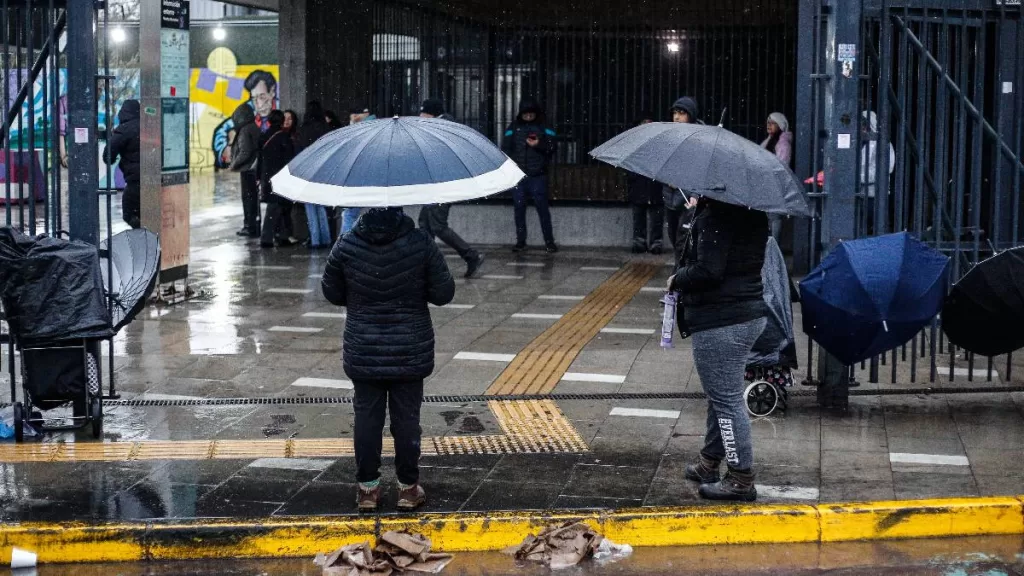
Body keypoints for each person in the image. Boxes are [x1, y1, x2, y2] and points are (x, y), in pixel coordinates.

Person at [321, 206, 455, 512]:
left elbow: (332, 291)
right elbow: (444, 293)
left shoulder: (347, 243)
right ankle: (408, 489)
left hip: (364, 347)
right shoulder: (420, 242)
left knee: (367, 419)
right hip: (409, 347)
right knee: (407, 421)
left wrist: (361, 296)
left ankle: (367, 491)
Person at [668, 196, 769, 502]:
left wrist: (676, 279)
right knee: (721, 393)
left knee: (725, 400)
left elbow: (708, 271)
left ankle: (740, 478)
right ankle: (709, 462)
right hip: (745, 313)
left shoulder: (716, 217)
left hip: (721, 320)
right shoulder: (752, 211)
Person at [417, 98, 485, 278]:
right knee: (425, 224)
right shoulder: (435, 127)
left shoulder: (444, 129)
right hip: (434, 183)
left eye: (423, 113)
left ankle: (472, 256)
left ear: (431, 114)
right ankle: (425, 264)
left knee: (437, 226)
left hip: (444, 185)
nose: (420, 116)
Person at [502, 98, 558, 253]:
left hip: (538, 174)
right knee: (519, 208)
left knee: (542, 208)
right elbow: (506, 147)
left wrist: (538, 145)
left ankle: (549, 241)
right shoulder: (514, 127)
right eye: (525, 114)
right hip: (519, 175)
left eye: (530, 114)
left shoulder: (544, 126)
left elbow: (553, 146)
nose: (528, 117)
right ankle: (521, 241)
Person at [665, 97, 702, 263]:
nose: (677, 117)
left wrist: (696, 194)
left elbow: (702, 169)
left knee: (685, 242)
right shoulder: (670, 136)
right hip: (670, 197)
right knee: (675, 238)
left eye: (681, 113)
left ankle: (681, 276)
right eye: (674, 113)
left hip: (688, 198)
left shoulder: (700, 139)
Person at [295, 101, 333, 247]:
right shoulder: (325, 128)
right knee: (321, 206)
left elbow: (298, 152)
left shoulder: (303, 130)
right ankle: (326, 238)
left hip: (307, 171)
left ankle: (316, 240)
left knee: (310, 208)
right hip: (322, 171)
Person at [258, 110, 297, 248]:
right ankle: (269, 238)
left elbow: (260, 158)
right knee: (278, 207)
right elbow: (290, 160)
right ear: (281, 121)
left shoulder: (264, 136)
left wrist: (259, 177)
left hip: (267, 177)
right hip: (280, 177)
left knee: (275, 207)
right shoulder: (283, 137)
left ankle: (278, 236)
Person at [627, 112, 664, 254]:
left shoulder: (659, 146)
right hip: (639, 185)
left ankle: (656, 243)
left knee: (656, 217)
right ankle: (639, 242)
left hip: (655, 186)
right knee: (639, 216)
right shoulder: (635, 145)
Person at [338, 106, 378, 236]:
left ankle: (346, 242)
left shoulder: (364, 129)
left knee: (349, 213)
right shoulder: (372, 127)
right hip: (368, 176)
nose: (354, 117)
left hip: (360, 177)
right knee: (352, 213)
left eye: (357, 114)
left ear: (366, 113)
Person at [103, 99, 141, 228]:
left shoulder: (123, 130)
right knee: (149, 213)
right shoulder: (149, 126)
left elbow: (108, 156)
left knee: (128, 214)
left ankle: (143, 236)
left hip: (135, 182)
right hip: (154, 180)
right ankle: (150, 239)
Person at [229, 102, 262, 237]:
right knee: (254, 199)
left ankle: (249, 226)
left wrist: (234, 164)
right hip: (255, 168)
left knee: (248, 198)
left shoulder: (244, 130)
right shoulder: (254, 127)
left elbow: (245, 151)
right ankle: (254, 224)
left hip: (248, 169)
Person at [761, 112, 794, 238]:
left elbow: (782, 165)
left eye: (773, 123)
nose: (769, 125)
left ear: (780, 125)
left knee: (774, 217)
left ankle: (774, 243)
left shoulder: (782, 144)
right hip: (768, 183)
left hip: (775, 184)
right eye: (768, 123)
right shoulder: (769, 141)